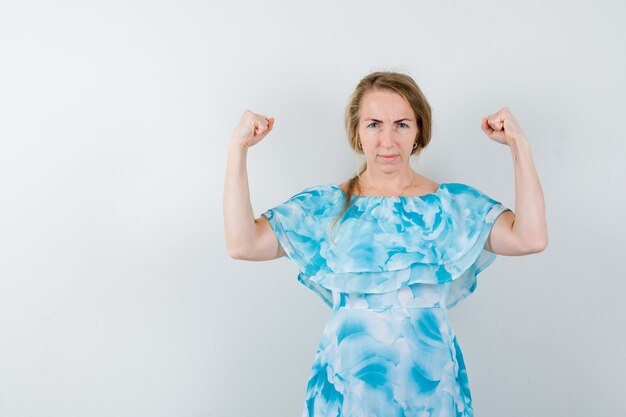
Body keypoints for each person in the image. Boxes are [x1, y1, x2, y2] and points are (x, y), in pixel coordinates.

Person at [223, 71, 547, 416]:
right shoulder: (325, 207)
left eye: (402, 124)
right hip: (348, 393)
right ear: (357, 132)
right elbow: (243, 244)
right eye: (374, 124)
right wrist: (237, 149)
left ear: (419, 131)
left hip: (432, 393)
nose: (388, 140)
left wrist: (519, 146)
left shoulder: (451, 207)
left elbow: (530, 237)